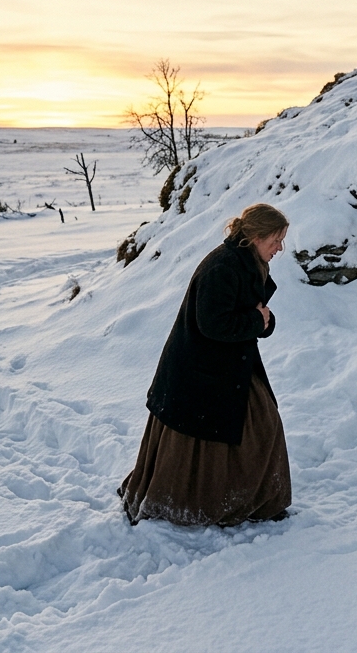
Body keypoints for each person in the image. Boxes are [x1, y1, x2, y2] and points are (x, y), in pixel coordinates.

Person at [120, 203, 292, 526]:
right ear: (257, 236)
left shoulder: (247, 262)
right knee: (212, 435)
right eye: (276, 239)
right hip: (200, 373)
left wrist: (263, 322)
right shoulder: (223, 267)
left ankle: (252, 499)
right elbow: (212, 323)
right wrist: (257, 320)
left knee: (264, 424)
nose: (280, 248)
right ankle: (200, 503)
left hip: (228, 367)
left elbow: (251, 312)